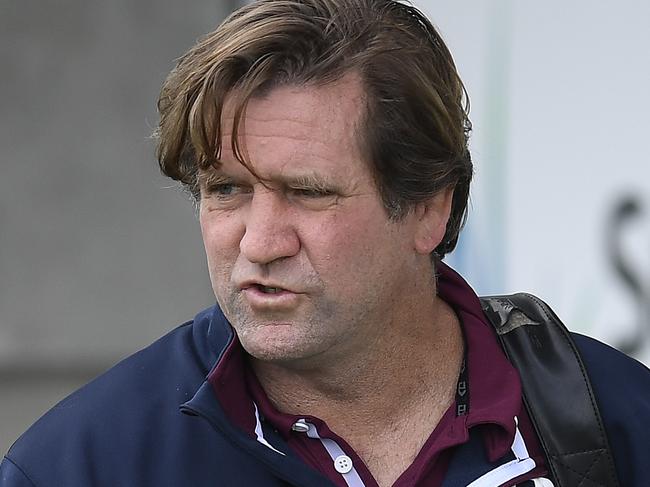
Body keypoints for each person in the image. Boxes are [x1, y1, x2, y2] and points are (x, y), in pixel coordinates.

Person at [2, 0, 649, 486]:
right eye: (227, 189)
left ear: (429, 205)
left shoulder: (617, 420)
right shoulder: (82, 464)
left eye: (307, 192)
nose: (259, 241)